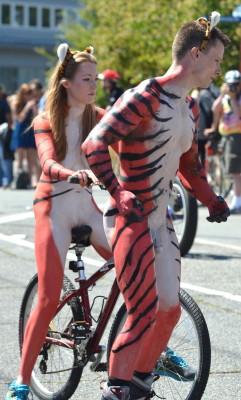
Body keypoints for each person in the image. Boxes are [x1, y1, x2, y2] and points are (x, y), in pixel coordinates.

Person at [82, 11, 231, 400]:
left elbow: (188, 165)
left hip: (161, 218)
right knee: (145, 309)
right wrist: (116, 190)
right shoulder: (145, 96)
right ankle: (115, 391)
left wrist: (212, 199)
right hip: (129, 218)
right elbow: (94, 143)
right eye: (216, 60)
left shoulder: (191, 108)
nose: (218, 69)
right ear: (196, 54)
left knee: (169, 309)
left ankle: (139, 384)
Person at [6, 43, 112, 400]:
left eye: (95, 79)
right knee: (50, 296)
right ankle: (21, 380)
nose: (93, 85)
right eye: (86, 79)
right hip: (53, 207)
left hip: (85, 205)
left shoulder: (97, 115)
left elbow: (132, 135)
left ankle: (155, 350)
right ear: (67, 83)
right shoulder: (44, 119)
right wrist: (71, 173)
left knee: (133, 264)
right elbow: (48, 163)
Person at [206, 70, 241, 214]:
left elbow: (238, 115)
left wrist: (232, 97)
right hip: (227, 137)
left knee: (235, 172)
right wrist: (222, 94)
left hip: (236, 136)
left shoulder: (237, 99)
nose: (234, 87)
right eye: (231, 85)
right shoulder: (225, 98)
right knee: (232, 171)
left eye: (236, 84)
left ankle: (237, 201)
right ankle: (237, 197)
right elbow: (214, 109)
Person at [11, 83, 41, 188]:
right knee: (19, 157)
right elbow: (19, 118)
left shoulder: (33, 103)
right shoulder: (16, 103)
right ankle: (18, 180)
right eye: (26, 94)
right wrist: (27, 107)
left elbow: (37, 117)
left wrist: (34, 109)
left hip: (29, 131)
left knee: (31, 157)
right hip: (20, 131)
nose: (28, 96)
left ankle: (30, 180)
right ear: (22, 94)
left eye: (29, 94)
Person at [197, 82, 220, 166]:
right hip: (205, 131)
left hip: (204, 131)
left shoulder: (204, 94)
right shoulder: (209, 93)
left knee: (202, 156)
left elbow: (210, 111)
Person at [0, 84, 13, 188]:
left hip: (3, 132)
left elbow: (9, 120)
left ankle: (7, 179)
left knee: (4, 156)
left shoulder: (4, 103)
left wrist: (8, 132)